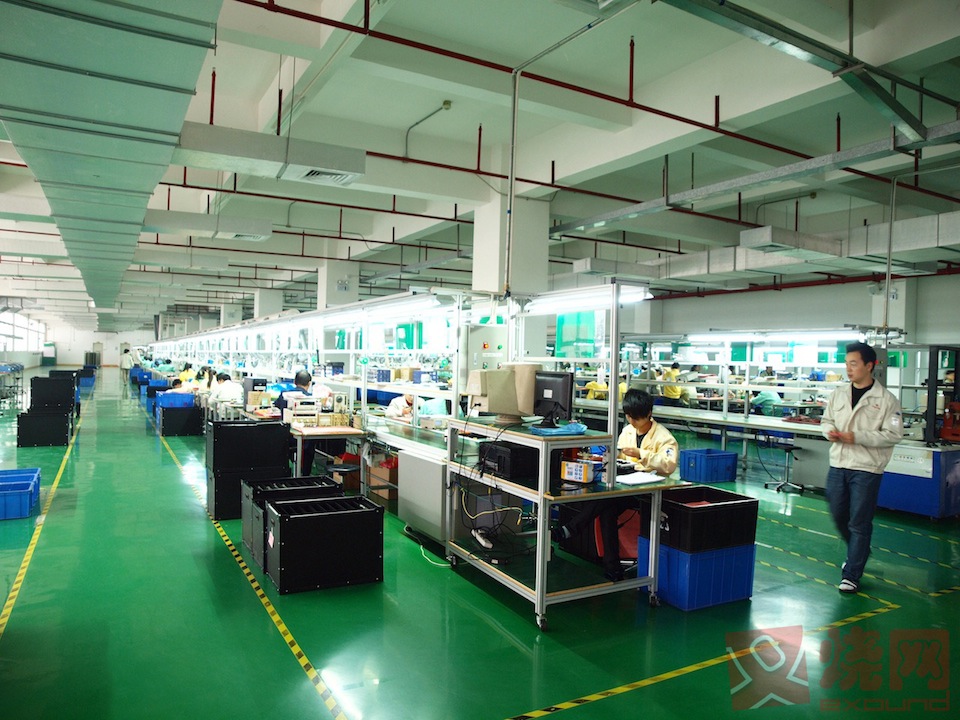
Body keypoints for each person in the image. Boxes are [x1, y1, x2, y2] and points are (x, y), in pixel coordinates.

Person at [552, 389, 678, 581]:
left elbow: (669, 464)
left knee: (607, 501)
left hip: (649, 493)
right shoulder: (628, 431)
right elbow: (618, 456)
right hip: (625, 489)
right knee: (607, 508)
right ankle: (613, 568)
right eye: (629, 417)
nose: (632, 422)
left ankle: (571, 529)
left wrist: (641, 454)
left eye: (637, 418)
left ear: (649, 414)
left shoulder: (664, 437)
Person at [821, 342, 902, 595]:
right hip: (838, 463)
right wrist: (829, 432)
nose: (848, 369)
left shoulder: (887, 400)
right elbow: (826, 420)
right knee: (838, 514)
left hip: (866, 468)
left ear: (869, 365)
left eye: (853, 364)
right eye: (846, 364)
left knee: (859, 521)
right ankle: (860, 550)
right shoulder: (838, 394)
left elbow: (893, 434)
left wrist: (857, 437)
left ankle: (852, 574)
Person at [274, 371, 319, 474]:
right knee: (311, 443)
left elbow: (275, 407)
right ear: (309, 383)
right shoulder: (311, 399)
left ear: (294, 382)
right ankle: (306, 475)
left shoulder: (284, 395)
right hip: (305, 441)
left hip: (286, 436)